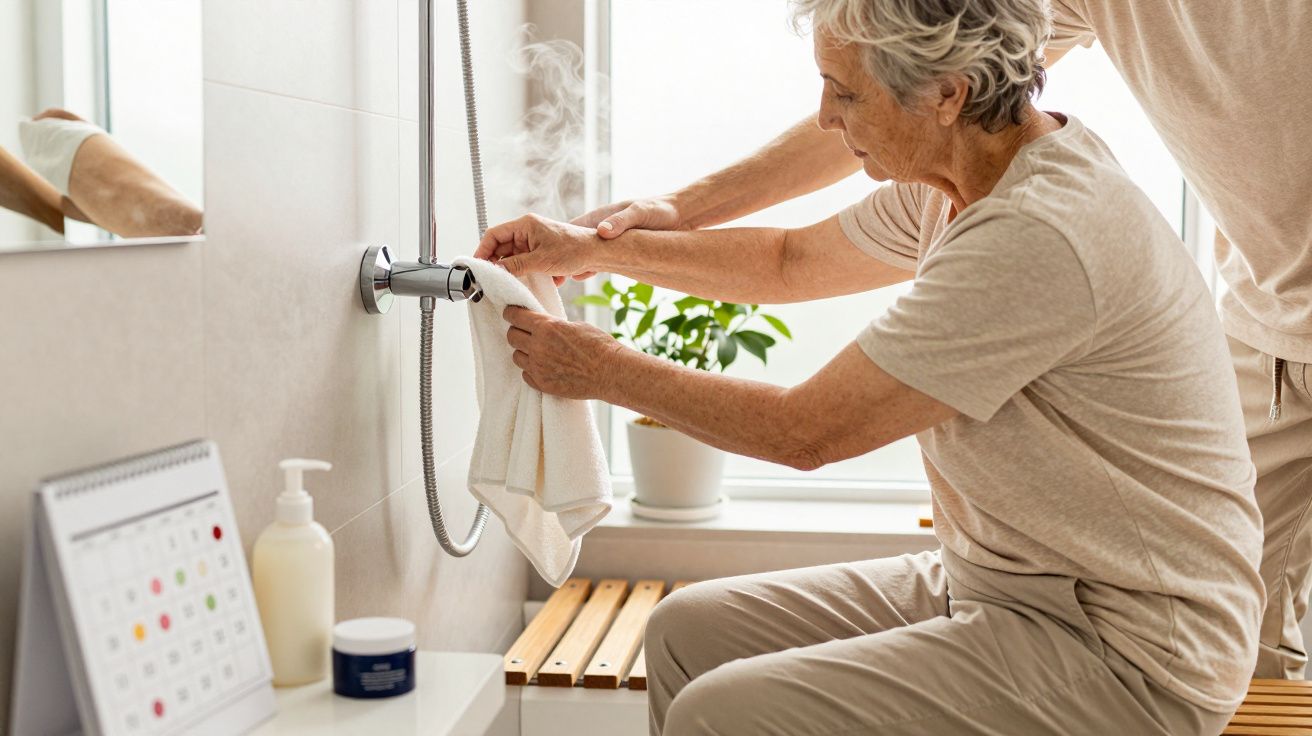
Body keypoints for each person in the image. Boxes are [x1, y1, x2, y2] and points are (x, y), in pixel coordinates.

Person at [475, 0, 1264, 733]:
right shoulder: (956, 182)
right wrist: (595, 251)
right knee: (685, 632)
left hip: (1130, 646)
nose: (824, 118)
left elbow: (806, 433)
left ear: (946, 94)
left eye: (845, 94)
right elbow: (788, 262)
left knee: (724, 711)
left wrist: (601, 368)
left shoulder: (1038, 233)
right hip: (1006, 579)